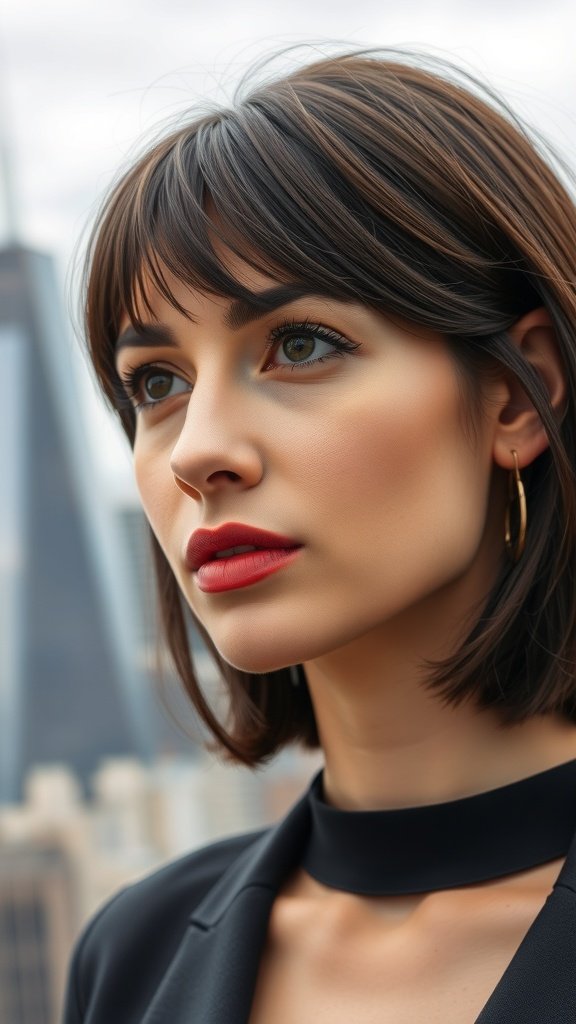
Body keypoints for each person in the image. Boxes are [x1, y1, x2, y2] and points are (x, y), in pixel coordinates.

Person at [63, 49, 576, 1023]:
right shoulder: (133, 955)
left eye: (299, 345)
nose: (198, 451)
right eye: (156, 384)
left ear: (518, 393)